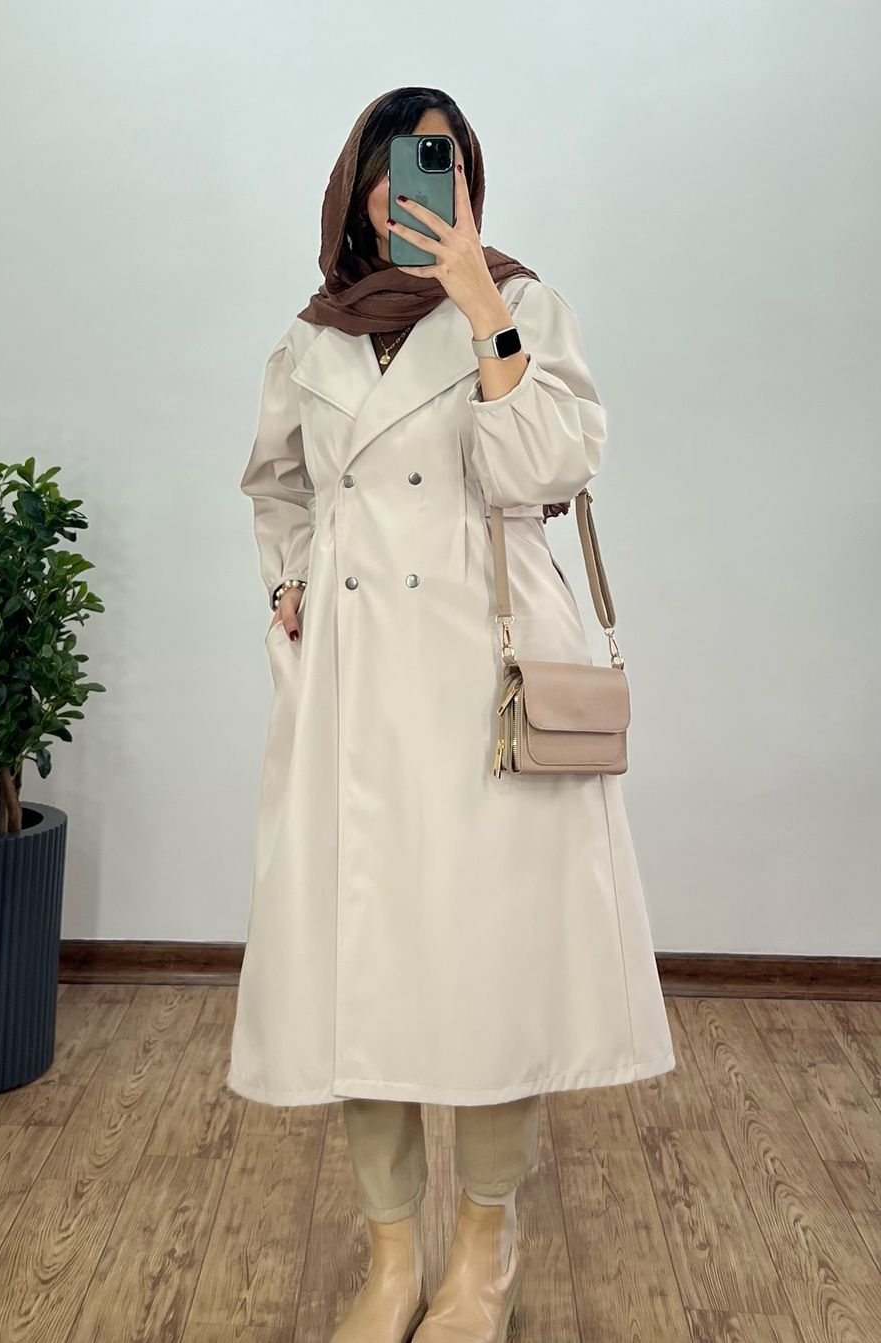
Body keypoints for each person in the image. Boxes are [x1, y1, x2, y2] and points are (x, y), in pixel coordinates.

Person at [228, 85, 676, 1343]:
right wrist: (289, 580)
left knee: (488, 966)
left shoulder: (525, 303)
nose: (411, 188)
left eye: (439, 163)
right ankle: (391, 1257)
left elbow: (549, 469)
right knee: (356, 961)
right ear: (355, 189)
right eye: (391, 165)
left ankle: (482, 1247)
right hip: (355, 682)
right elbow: (275, 485)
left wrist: (482, 304)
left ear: (469, 180)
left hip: (483, 675)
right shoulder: (311, 337)